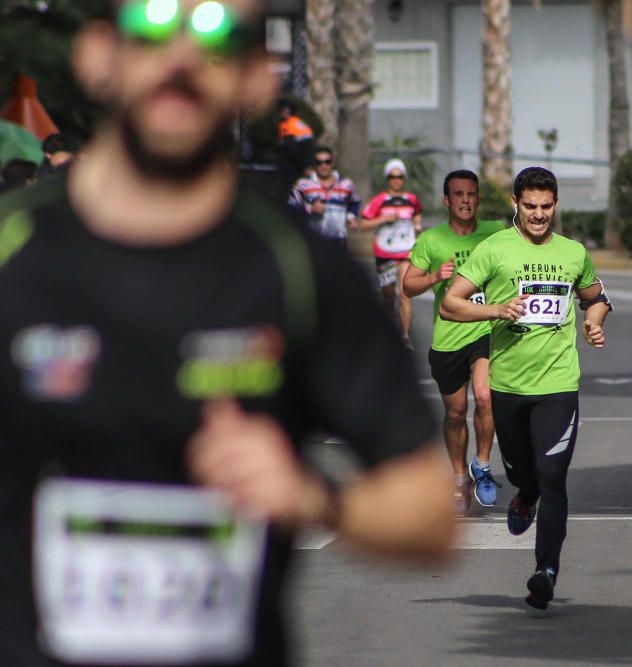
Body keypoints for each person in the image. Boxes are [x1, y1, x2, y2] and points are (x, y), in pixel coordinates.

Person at [0, 1, 456, 665]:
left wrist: (311, 493)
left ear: (256, 80)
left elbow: (429, 511)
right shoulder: (14, 251)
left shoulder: (298, 270)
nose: (182, 58)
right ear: (98, 57)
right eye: (152, 29)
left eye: (219, 38)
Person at [440, 166, 612, 611]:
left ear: (556, 205)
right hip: (508, 386)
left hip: (558, 384)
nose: (538, 216)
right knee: (521, 473)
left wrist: (594, 322)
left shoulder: (573, 253)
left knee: (554, 475)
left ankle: (546, 571)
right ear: (515, 204)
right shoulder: (494, 249)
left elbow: (595, 297)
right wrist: (497, 309)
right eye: (530, 206)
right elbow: (451, 303)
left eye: (546, 207)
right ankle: (525, 494)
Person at [403, 170, 506, 513]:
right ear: (447, 201)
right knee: (456, 412)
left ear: (478, 199)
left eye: (472, 194)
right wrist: (435, 276)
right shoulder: (432, 241)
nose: (465, 200)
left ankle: (483, 465)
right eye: (459, 194)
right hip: (448, 337)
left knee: (485, 396)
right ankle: (459, 478)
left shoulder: (495, 233)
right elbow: (408, 286)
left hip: (485, 330)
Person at [356, 158, 423, 347]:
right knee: (389, 298)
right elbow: (363, 224)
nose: (397, 180)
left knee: (404, 293)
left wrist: (417, 226)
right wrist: (382, 220)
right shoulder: (380, 201)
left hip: (406, 252)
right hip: (385, 252)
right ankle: (387, 329)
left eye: (400, 177)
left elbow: (417, 214)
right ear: (387, 179)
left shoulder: (411, 200)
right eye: (393, 177)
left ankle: (403, 337)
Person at [288, 145, 359, 249]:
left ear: (333, 163)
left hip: (338, 240)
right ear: (314, 164)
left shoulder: (346, 184)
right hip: (313, 241)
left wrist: (350, 217)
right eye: (319, 162)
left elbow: (355, 202)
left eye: (327, 162)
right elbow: (290, 208)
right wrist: (310, 208)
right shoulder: (303, 184)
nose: (323, 166)